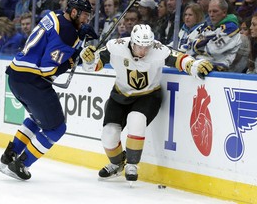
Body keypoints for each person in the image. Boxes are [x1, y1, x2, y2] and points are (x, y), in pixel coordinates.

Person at [80, 24, 213, 182]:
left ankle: (132, 164)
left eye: (147, 47)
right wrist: (88, 58)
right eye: (140, 47)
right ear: (132, 42)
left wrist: (194, 65)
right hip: (120, 95)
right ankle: (117, 164)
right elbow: (94, 66)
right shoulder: (116, 47)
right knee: (109, 135)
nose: (143, 51)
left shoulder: (158, 50)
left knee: (136, 120)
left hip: (148, 96)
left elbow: (180, 59)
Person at [0, 0, 97, 180]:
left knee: (37, 119)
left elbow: (55, 38)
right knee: (56, 128)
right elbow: (47, 70)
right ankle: (20, 164)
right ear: (74, 12)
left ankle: (8, 156)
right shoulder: (67, 34)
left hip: (16, 76)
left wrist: (78, 38)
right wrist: (76, 57)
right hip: (32, 81)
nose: (86, 19)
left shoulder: (55, 15)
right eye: (84, 15)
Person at [188, 0, 242, 71]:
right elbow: (189, 46)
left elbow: (212, 50)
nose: (211, 14)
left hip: (221, 70)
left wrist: (198, 44)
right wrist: (203, 42)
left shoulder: (231, 28)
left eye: (215, 11)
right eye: (209, 12)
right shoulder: (210, 28)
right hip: (202, 65)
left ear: (224, 12)